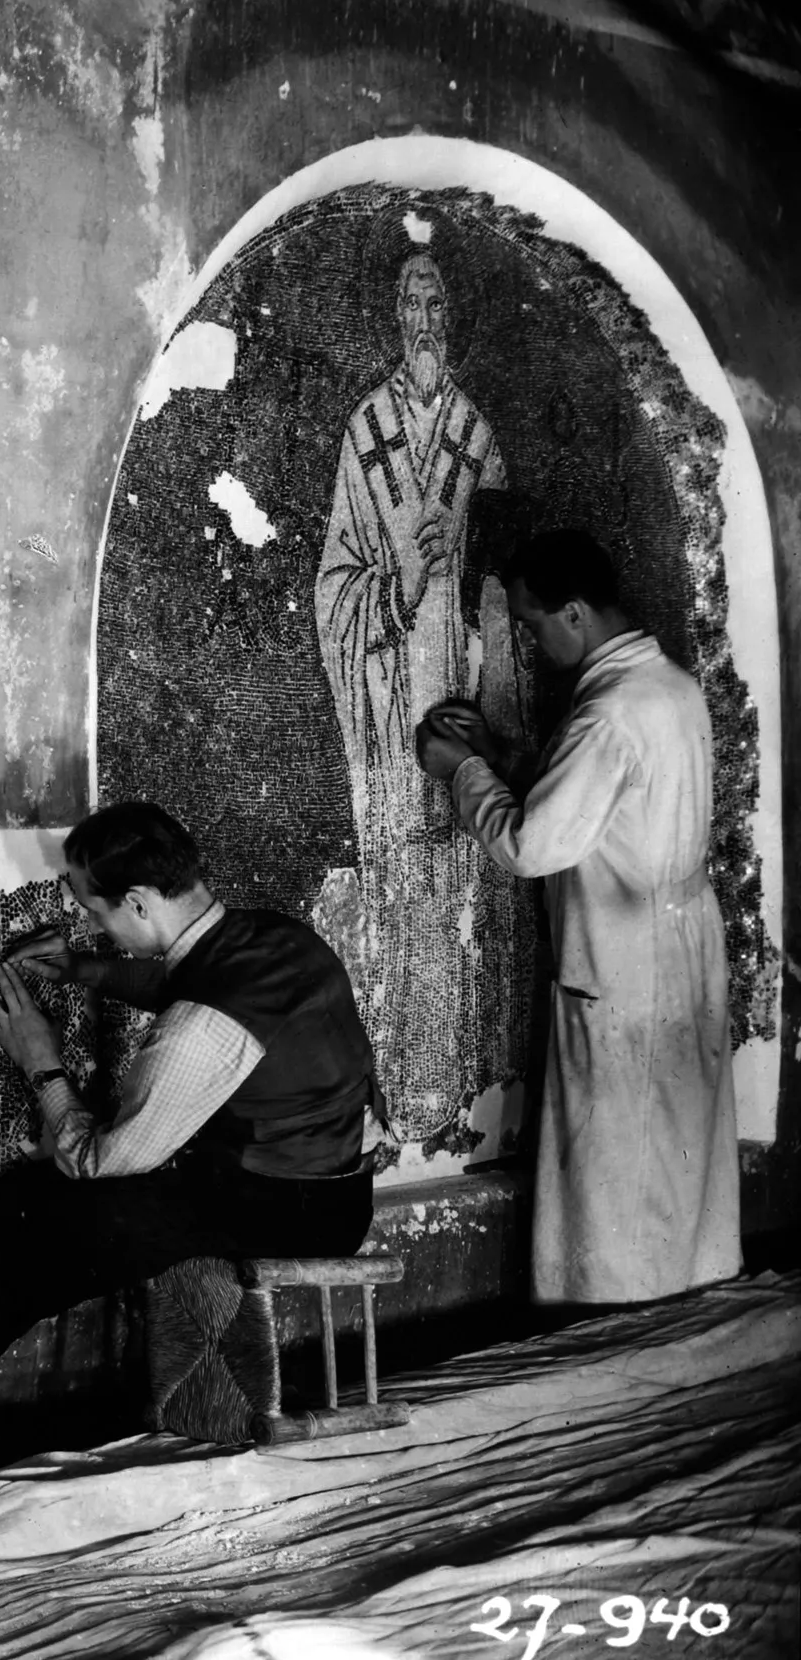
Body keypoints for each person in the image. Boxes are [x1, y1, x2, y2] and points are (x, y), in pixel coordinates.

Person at [0, 802, 378, 1468]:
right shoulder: (275, 936)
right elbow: (181, 975)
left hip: (282, 1211)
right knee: (12, 1218)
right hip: (334, 1190)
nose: (94, 925)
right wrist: (84, 969)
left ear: (140, 902)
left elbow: (98, 1160)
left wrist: (40, 1060)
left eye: (97, 913)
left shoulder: (196, 1031)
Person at [417, 529, 740, 1303]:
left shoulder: (607, 714)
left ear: (573, 612)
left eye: (533, 625)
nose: (532, 643)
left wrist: (463, 771)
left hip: (623, 962)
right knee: (671, 1160)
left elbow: (532, 846)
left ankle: (624, 1326)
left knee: (620, 1170)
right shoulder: (671, 687)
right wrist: (502, 753)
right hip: (678, 947)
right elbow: (600, 801)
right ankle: (676, 1316)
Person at [314, 249, 526, 1130]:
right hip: (391, 704)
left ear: (453, 317)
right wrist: (397, 590)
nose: (425, 320)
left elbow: (509, 588)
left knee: (470, 883)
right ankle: (405, 1088)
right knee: (406, 884)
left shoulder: (479, 439)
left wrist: (470, 580)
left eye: (437, 303)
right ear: (395, 318)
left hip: (465, 698)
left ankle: (473, 1097)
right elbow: (334, 589)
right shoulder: (365, 432)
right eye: (412, 303)